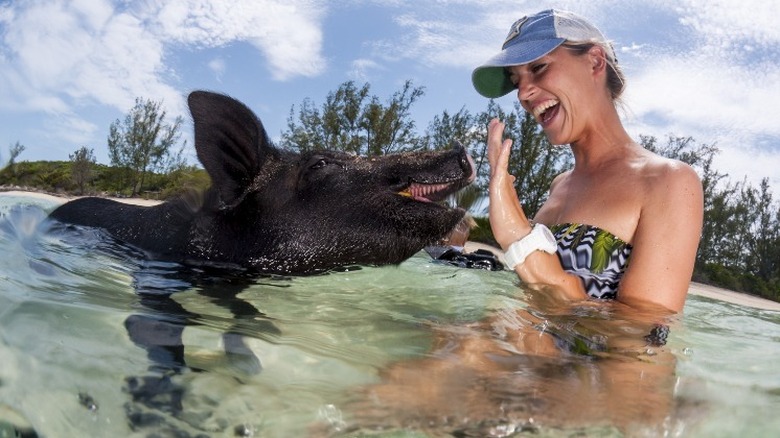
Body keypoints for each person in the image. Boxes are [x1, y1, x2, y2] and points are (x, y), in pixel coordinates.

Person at [472, 9, 703, 314]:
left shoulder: (669, 181)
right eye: (517, 82)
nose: (524, 94)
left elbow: (639, 342)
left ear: (595, 61)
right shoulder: (559, 185)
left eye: (538, 67)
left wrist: (520, 238)